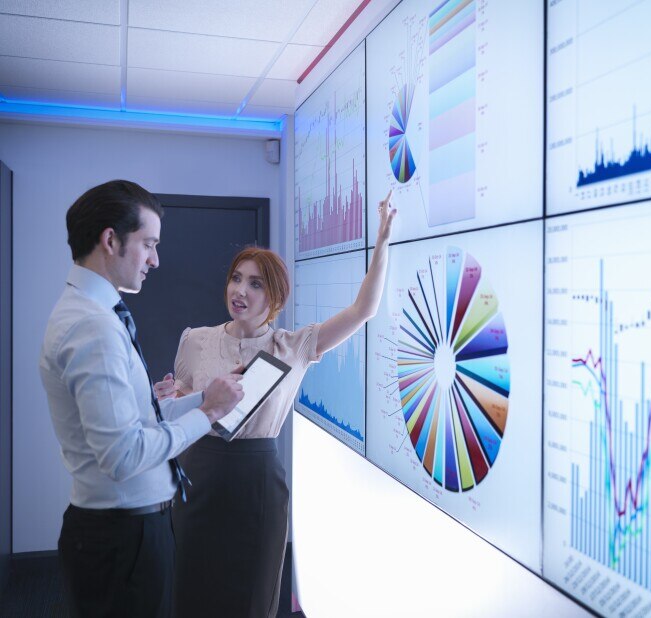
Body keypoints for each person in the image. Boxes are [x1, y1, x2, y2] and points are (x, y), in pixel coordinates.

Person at [153, 190, 397, 618]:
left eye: (254, 283)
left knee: (253, 596)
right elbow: (181, 408)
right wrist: (165, 400)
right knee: (193, 590)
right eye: (235, 278)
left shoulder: (293, 346)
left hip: (259, 483)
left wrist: (382, 244)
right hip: (200, 474)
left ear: (276, 297)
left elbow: (363, 309)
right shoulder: (195, 340)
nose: (239, 290)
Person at [39, 180, 245, 618]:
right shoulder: (92, 327)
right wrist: (208, 413)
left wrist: (203, 399)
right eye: (148, 244)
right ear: (110, 240)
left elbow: (133, 424)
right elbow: (124, 454)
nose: (155, 260)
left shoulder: (93, 313)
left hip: (121, 534)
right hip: (121, 541)